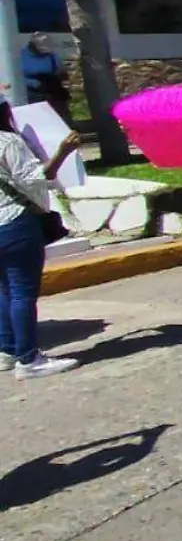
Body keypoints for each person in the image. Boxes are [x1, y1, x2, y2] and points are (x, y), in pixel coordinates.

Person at [0, 102, 81, 379]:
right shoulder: (9, 142)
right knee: (22, 292)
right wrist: (63, 152)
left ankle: (8, 350)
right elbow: (37, 178)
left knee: (3, 290)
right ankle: (28, 359)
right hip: (15, 222)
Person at [20, 34, 69, 122]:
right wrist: (33, 83)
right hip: (33, 93)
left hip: (52, 91)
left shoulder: (51, 56)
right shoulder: (21, 56)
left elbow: (60, 71)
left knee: (61, 116)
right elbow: (17, 77)